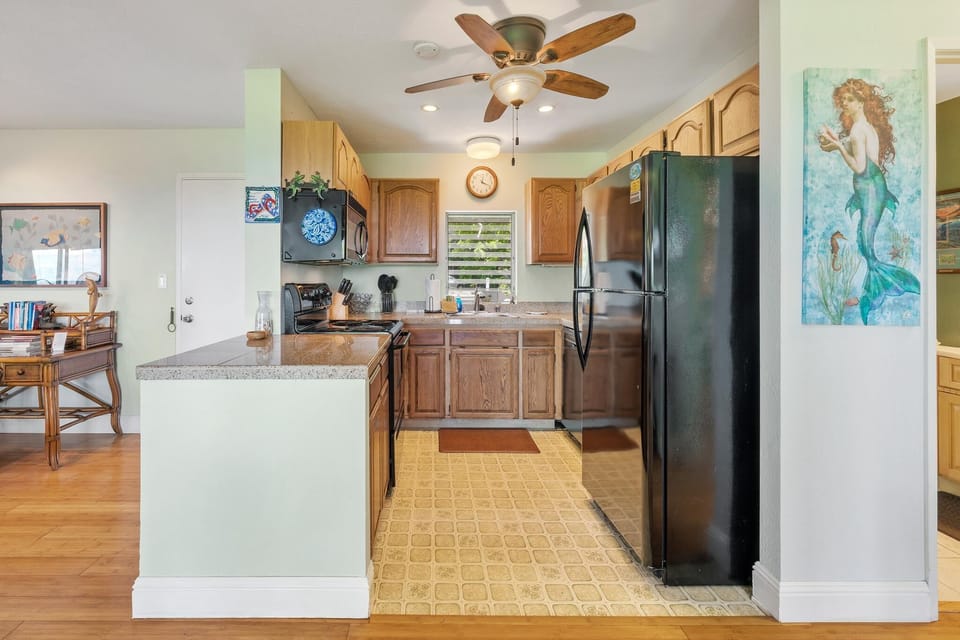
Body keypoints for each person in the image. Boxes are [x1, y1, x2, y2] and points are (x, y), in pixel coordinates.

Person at [817, 77, 920, 324]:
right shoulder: (866, 128)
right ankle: (879, 283)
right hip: (873, 188)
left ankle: (881, 282)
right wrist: (836, 142)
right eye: (842, 100)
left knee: (865, 243)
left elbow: (861, 167)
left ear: (862, 102)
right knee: (864, 243)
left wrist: (840, 148)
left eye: (850, 100)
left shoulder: (857, 130)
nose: (845, 104)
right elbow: (869, 165)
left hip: (869, 186)